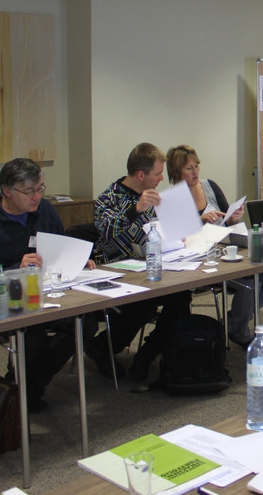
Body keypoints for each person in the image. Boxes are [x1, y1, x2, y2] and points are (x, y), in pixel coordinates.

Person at [0, 158, 96, 412]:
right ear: (7, 191)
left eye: (40, 189)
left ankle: (23, 387)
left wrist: (76, 259)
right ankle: (25, 391)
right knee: (32, 338)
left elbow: (58, 248)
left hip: (48, 294)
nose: (37, 197)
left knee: (85, 324)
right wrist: (15, 269)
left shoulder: (45, 211)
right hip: (4, 300)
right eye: (29, 191)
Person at [91, 143, 192, 383]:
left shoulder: (154, 195)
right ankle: (102, 348)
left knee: (181, 297)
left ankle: (149, 352)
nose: (161, 179)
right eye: (157, 174)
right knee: (143, 304)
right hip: (116, 269)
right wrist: (136, 208)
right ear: (140, 175)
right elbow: (107, 230)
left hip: (151, 265)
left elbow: (158, 231)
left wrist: (176, 234)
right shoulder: (109, 198)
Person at [166, 144, 263, 346]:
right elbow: (176, 238)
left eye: (197, 166)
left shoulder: (209, 185)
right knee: (249, 284)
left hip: (226, 250)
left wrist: (233, 217)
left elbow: (227, 220)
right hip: (199, 261)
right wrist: (201, 220)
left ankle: (233, 321)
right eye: (189, 168)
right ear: (176, 172)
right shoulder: (172, 198)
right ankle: (239, 331)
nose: (195, 172)